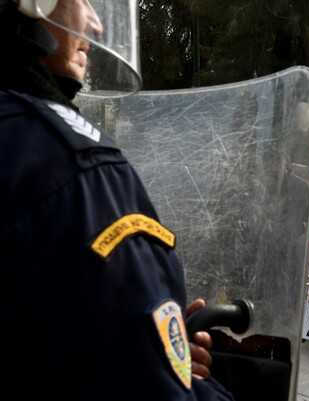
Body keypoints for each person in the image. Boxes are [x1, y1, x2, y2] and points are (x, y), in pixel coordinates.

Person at [0, 0, 234, 399]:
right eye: (84, 1)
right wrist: (183, 375)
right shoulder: (74, 166)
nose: (96, 26)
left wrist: (149, 350)